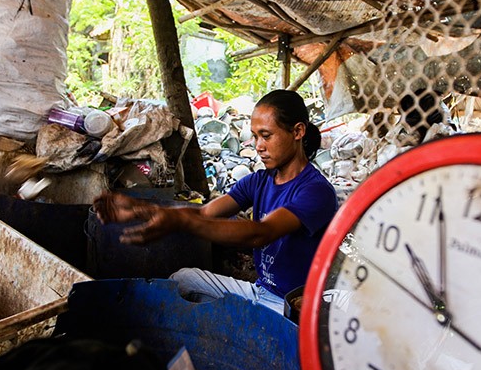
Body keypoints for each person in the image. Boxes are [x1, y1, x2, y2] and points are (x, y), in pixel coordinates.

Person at [94, 90, 339, 313]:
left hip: (294, 306)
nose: (259, 146)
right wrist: (144, 210)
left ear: (298, 131)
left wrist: (177, 220)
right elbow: (204, 214)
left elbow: (260, 234)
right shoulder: (258, 181)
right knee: (183, 280)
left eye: (266, 136)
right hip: (259, 291)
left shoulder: (316, 191)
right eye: (255, 137)